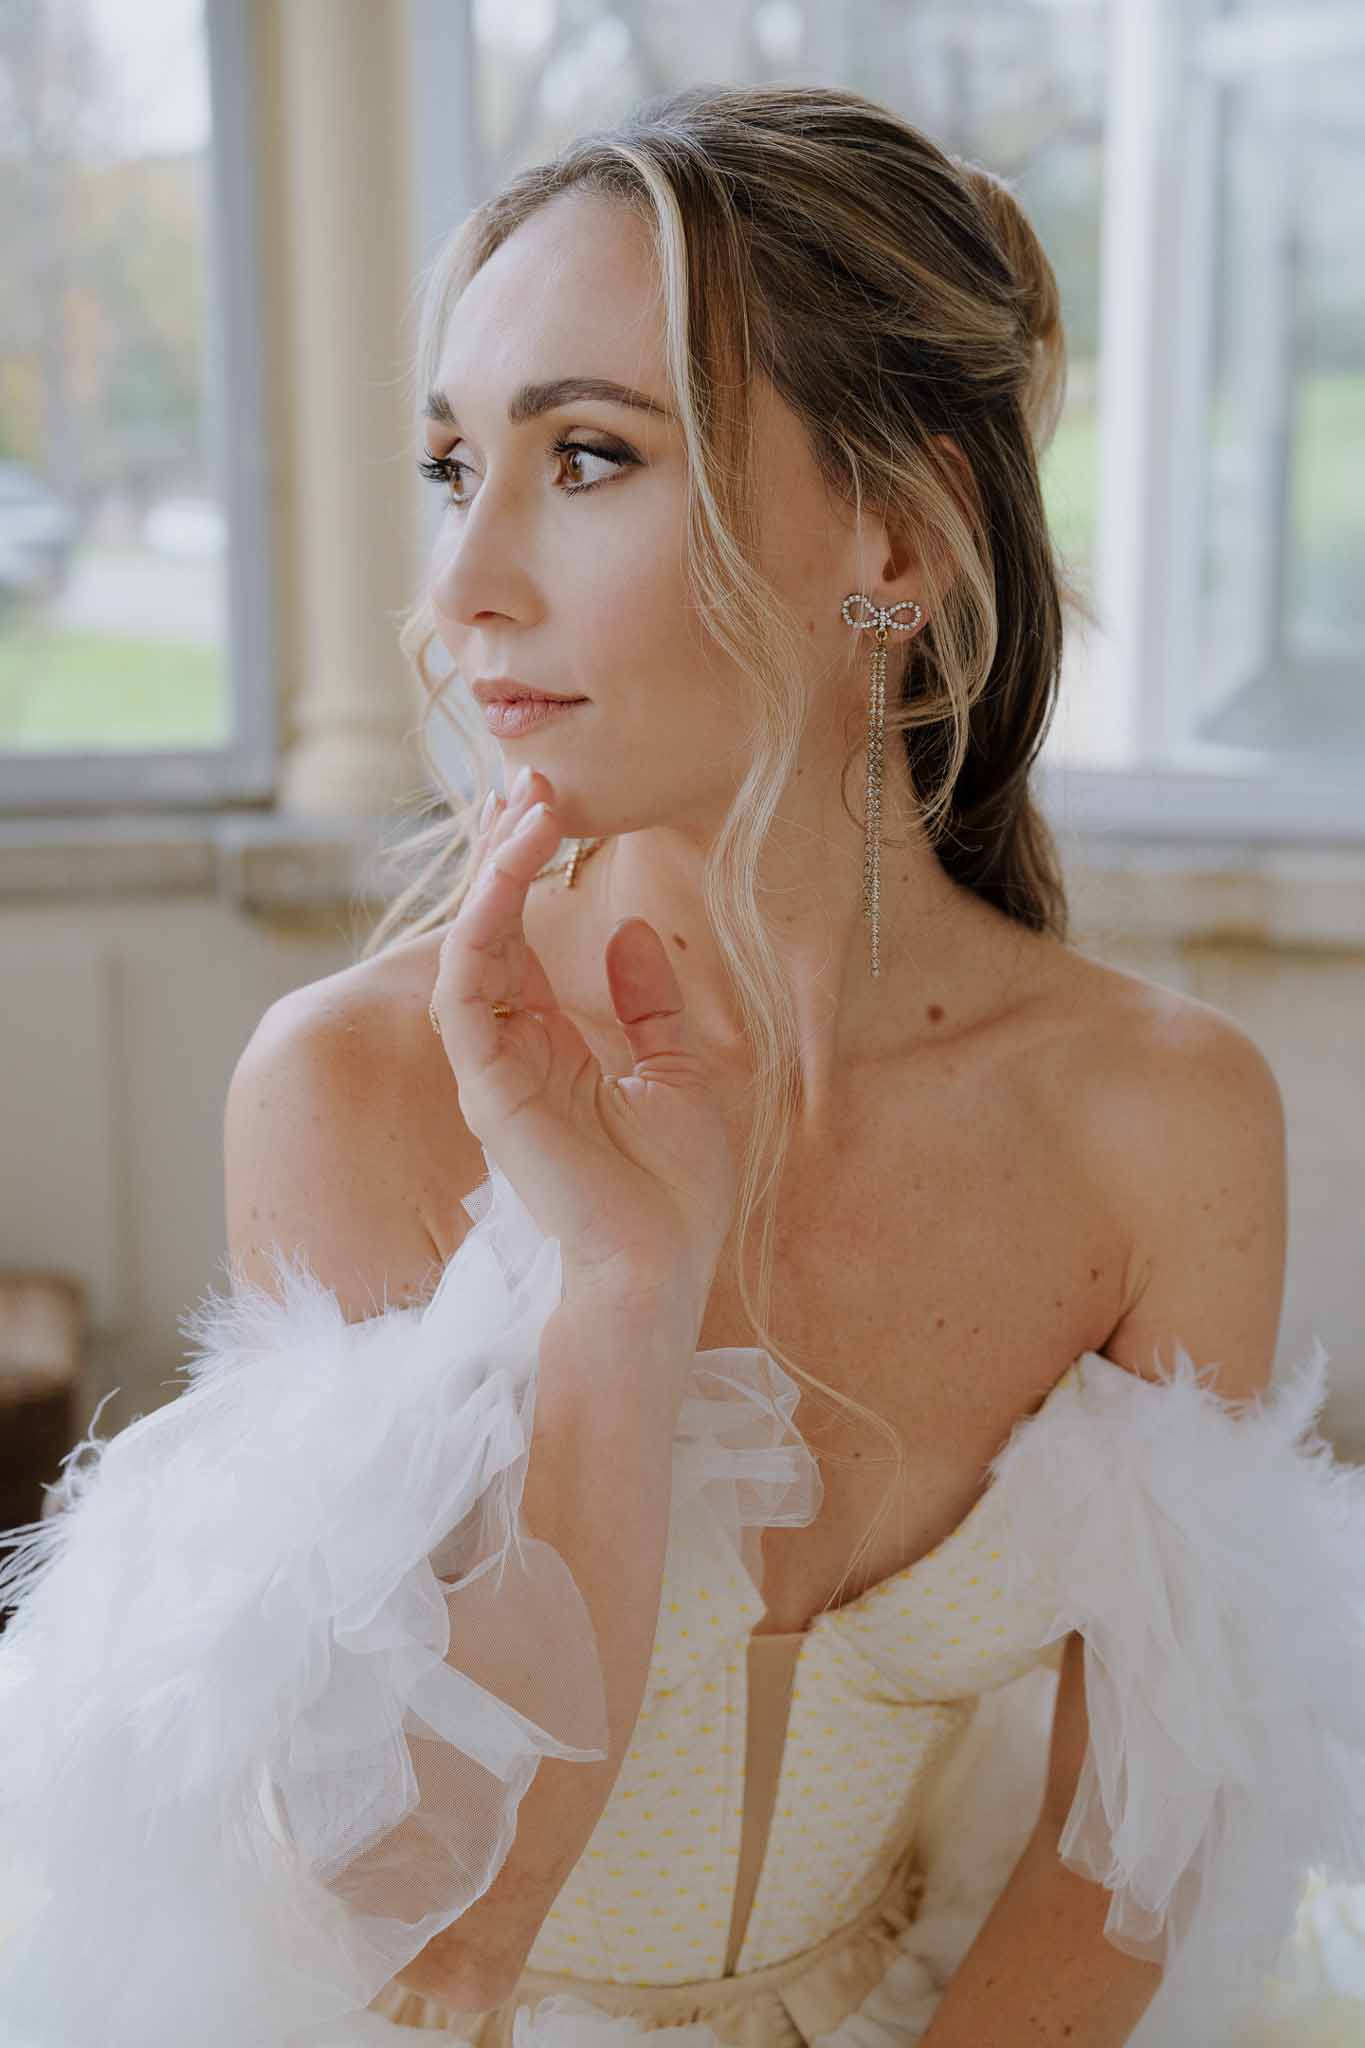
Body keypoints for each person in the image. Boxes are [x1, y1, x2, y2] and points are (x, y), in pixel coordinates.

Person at [2, 81, 1364, 2048]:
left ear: (892, 538)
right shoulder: (353, 1092)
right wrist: (616, 1297)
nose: (460, 587)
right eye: (451, 463)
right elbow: (404, 1933)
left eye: (585, 455)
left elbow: (1130, 1844)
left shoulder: (1157, 1118)